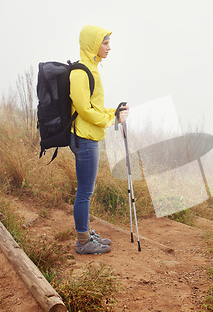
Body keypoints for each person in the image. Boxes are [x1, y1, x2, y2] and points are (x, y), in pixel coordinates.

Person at [69, 25, 129, 254]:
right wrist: (110, 120)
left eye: (108, 43)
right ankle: (83, 242)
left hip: (89, 136)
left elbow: (94, 106)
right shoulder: (80, 73)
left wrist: (114, 112)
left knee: (86, 190)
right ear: (93, 44)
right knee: (85, 191)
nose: (109, 47)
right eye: (104, 43)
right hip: (84, 138)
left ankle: (84, 233)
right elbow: (84, 110)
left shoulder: (91, 69)